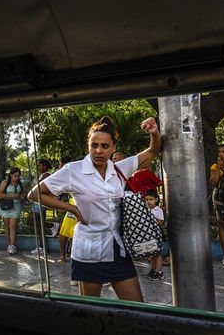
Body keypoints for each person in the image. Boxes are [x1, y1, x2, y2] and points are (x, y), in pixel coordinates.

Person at [30, 116, 162, 301]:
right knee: (90, 311)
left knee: (137, 307)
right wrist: (72, 208)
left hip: (118, 250)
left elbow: (153, 150)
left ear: (114, 148)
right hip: (88, 252)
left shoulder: (119, 169)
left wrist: (154, 132)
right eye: (94, 145)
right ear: (88, 146)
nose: (98, 151)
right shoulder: (73, 170)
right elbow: (35, 193)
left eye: (105, 146)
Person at [0, 167, 25, 254]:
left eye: (18, 176)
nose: (16, 178)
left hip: (16, 206)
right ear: (11, 175)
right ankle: (9, 244)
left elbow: (23, 194)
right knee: (7, 226)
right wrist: (11, 196)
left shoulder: (20, 184)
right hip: (6, 206)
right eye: (15, 176)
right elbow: (0, 195)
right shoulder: (5, 183)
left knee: (12, 226)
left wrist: (21, 196)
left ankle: (12, 245)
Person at [144, 189, 166, 280]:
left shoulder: (158, 210)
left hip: (157, 234)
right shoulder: (145, 210)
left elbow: (160, 222)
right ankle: (153, 270)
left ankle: (159, 272)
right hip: (149, 234)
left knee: (158, 253)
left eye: (151, 199)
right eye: (147, 199)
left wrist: (151, 217)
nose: (148, 201)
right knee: (151, 253)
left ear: (156, 200)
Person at [30, 159, 52, 254]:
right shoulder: (42, 175)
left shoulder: (47, 175)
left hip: (40, 202)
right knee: (38, 225)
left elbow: (38, 187)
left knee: (33, 220)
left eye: (39, 166)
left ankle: (52, 225)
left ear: (45, 166)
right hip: (36, 201)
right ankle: (42, 246)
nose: (38, 167)